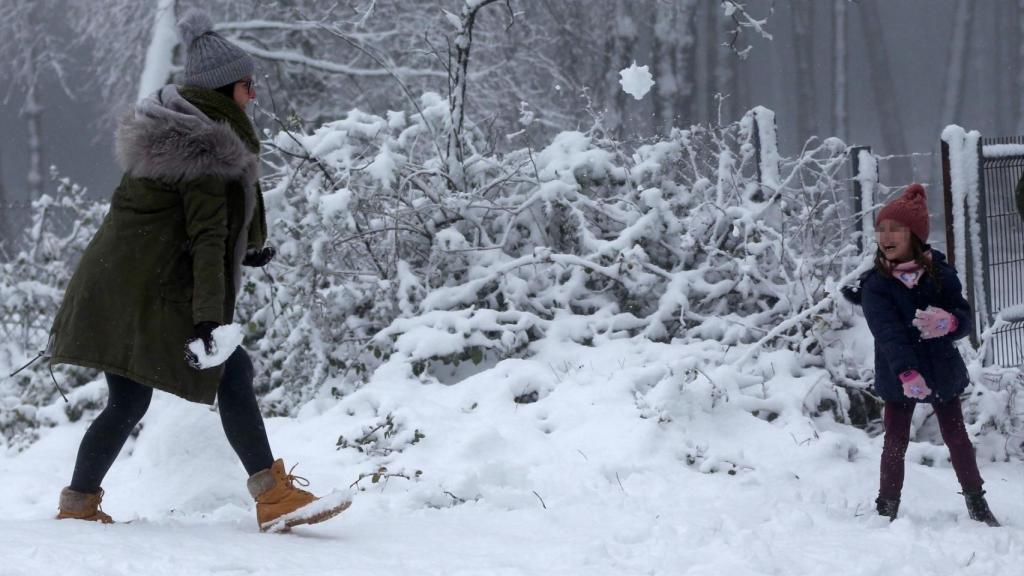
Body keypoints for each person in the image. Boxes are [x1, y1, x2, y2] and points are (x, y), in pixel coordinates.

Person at [45, 9, 350, 532]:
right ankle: (272, 497)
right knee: (233, 371)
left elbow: (190, 225)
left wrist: (247, 249)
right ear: (223, 89)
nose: (253, 95)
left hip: (117, 286)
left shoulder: (177, 131)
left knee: (127, 399)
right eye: (247, 85)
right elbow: (207, 239)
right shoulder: (205, 150)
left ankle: (78, 502)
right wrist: (210, 323)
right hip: (144, 292)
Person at [849, 183, 999, 526]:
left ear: (914, 235)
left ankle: (978, 505)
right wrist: (906, 372)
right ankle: (886, 507)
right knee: (896, 440)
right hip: (897, 372)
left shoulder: (941, 274)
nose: (885, 236)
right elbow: (888, 334)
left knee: (957, 437)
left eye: (894, 229)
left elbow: (964, 317)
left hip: (941, 367)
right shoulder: (876, 285)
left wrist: (949, 322)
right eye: (880, 229)